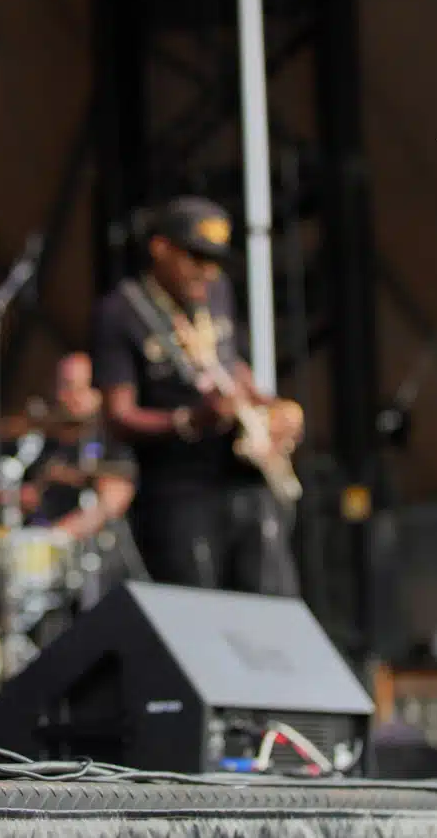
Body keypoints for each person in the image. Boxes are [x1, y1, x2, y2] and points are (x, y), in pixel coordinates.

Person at [92, 196, 305, 596]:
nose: (207, 271)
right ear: (160, 248)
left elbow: (230, 363)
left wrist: (269, 409)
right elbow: (118, 414)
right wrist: (189, 420)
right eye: (195, 257)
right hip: (179, 489)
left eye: (214, 260)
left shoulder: (218, 291)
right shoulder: (123, 311)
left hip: (242, 479)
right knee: (201, 610)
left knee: (273, 601)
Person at [19, 353, 136, 544]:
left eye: (78, 387)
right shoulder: (47, 441)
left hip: (91, 556)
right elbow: (31, 494)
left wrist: (56, 537)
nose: (70, 396)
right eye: (63, 387)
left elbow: (112, 501)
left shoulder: (112, 440)